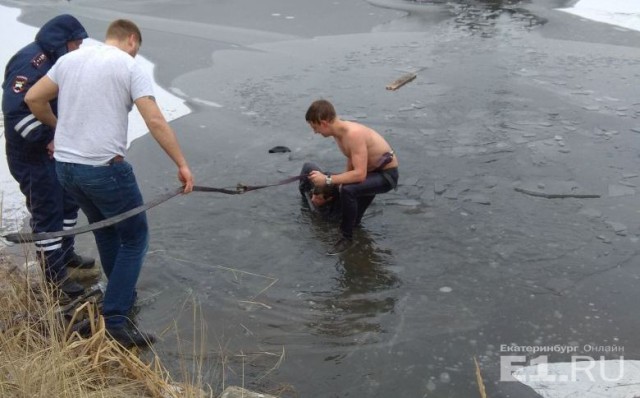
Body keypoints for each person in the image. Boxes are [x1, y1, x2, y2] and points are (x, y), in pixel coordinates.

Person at [25, 19, 195, 348]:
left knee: (105, 228)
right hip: (104, 170)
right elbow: (155, 119)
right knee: (136, 237)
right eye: (137, 47)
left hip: (66, 168)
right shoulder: (129, 65)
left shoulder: (69, 60)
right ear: (131, 40)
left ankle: (120, 293)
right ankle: (115, 318)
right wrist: (182, 165)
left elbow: (34, 98)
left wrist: (60, 130)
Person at [2, 14, 95, 299]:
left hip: (54, 148)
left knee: (69, 203)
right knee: (47, 213)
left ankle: (65, 255)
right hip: (31, 154)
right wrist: (48, 139)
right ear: (61, 42)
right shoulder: (29, 63)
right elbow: (15, 111)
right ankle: (54, 278)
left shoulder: (57, 59)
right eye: (75, 44)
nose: (78, 49)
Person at [305, 99, 399, 255]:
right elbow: (352, 157)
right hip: (371, 172)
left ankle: (346, 238)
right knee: (352, 217)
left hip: (385, 175)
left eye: (315, 127)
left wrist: (328, 180)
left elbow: (360, 175)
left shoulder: (353, 134)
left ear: (324, 123)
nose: (315, 132)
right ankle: (352, 227)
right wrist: (339, 182)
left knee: (349, 190)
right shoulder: (338, 133)